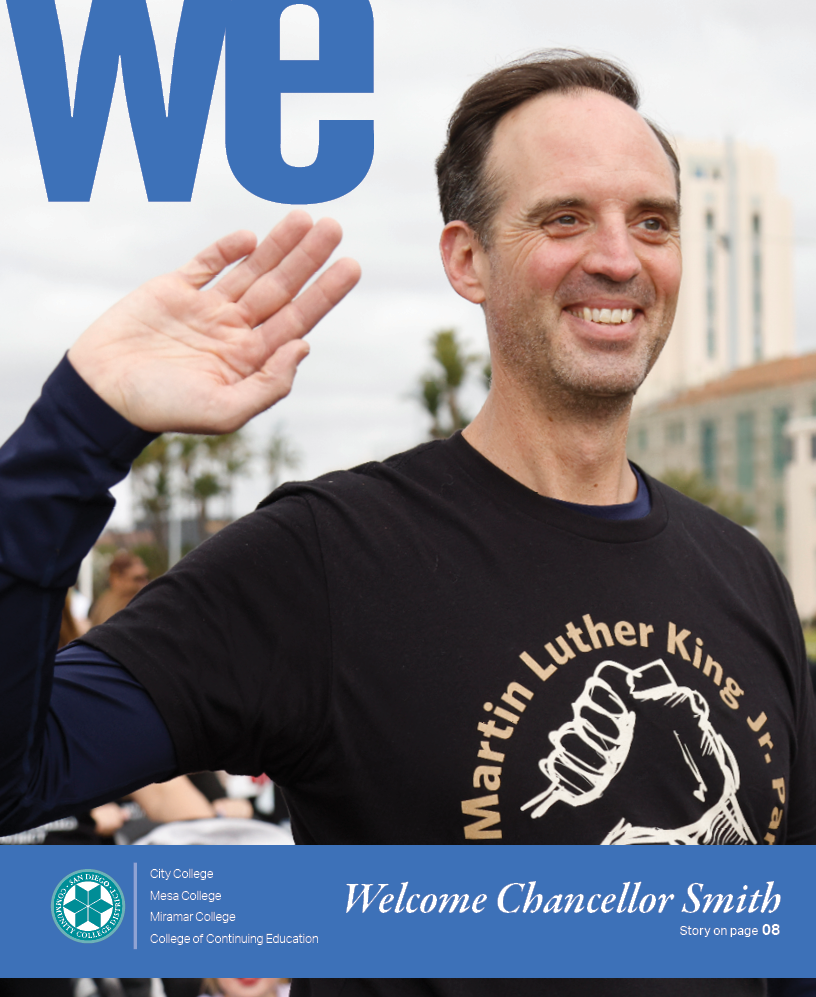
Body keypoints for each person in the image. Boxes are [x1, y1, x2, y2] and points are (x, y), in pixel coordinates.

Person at [1, 53, 814, 859]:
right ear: (468, 260)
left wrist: (704, 817)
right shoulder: (326, 561)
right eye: (565, 218)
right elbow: (17, 778)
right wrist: (78, 426)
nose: (619, 258)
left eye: (652, 221)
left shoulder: (742, 575)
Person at [88, 550, 150, 626]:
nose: (144, 584)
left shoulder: (144, 602)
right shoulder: (105, 606)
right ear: (116, 578)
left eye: (145, 578)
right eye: (137, 579)